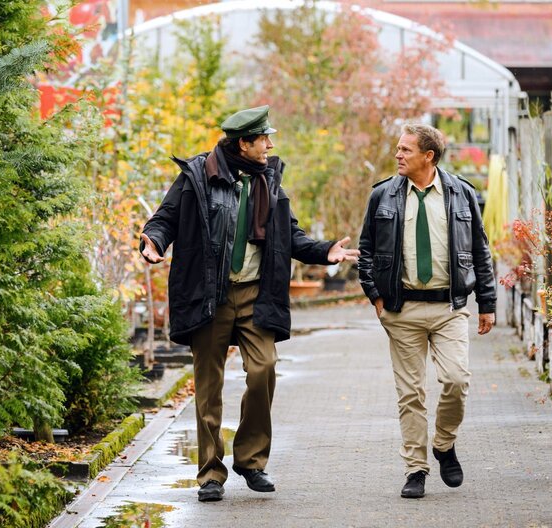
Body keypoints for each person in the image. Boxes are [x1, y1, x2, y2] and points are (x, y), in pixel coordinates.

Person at [139, 105, 359, 502]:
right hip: (211, 295)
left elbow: (290, 234)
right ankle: (210, 473)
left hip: (255, 294)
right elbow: (164, 219)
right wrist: (152, 241)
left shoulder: (269, 180)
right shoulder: (197, 176)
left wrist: (325, 251)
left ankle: (251, 460)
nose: (270, 145)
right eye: (264, 139)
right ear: (244, 143)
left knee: (264, 369)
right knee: (209, 384)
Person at [358, 123, 496, 499]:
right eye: (398, 148)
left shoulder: (461, 194)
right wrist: (375, 295)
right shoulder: (383, 196)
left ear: (428, 156)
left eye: (405, 150)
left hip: (449, 308)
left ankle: (444, 444)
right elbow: (365, 249)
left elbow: (480, 252)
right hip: (401, 311)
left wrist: (487, 303)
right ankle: (416, 469)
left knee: (456, 381)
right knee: (411, 394)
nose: (398, 155)